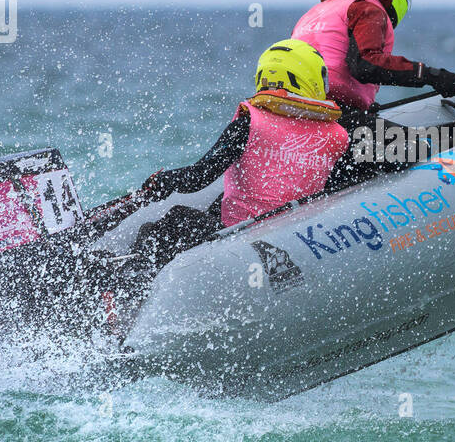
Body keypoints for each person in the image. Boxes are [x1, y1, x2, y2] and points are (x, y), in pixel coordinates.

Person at [128, 39, 410, 269]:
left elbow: (199, 176)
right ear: (308, 79)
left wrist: (162, 181)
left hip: (236, 232)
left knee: (173, 221)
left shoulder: (250, 122)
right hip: (292, 235)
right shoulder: (337, 135)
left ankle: (127, 287)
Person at [291, 0, 455, 132]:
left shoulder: (314, 13)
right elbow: (366, 65)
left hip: (300, 114)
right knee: (420, 147)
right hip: (334, 118)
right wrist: (433, 76)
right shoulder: (367, 7)